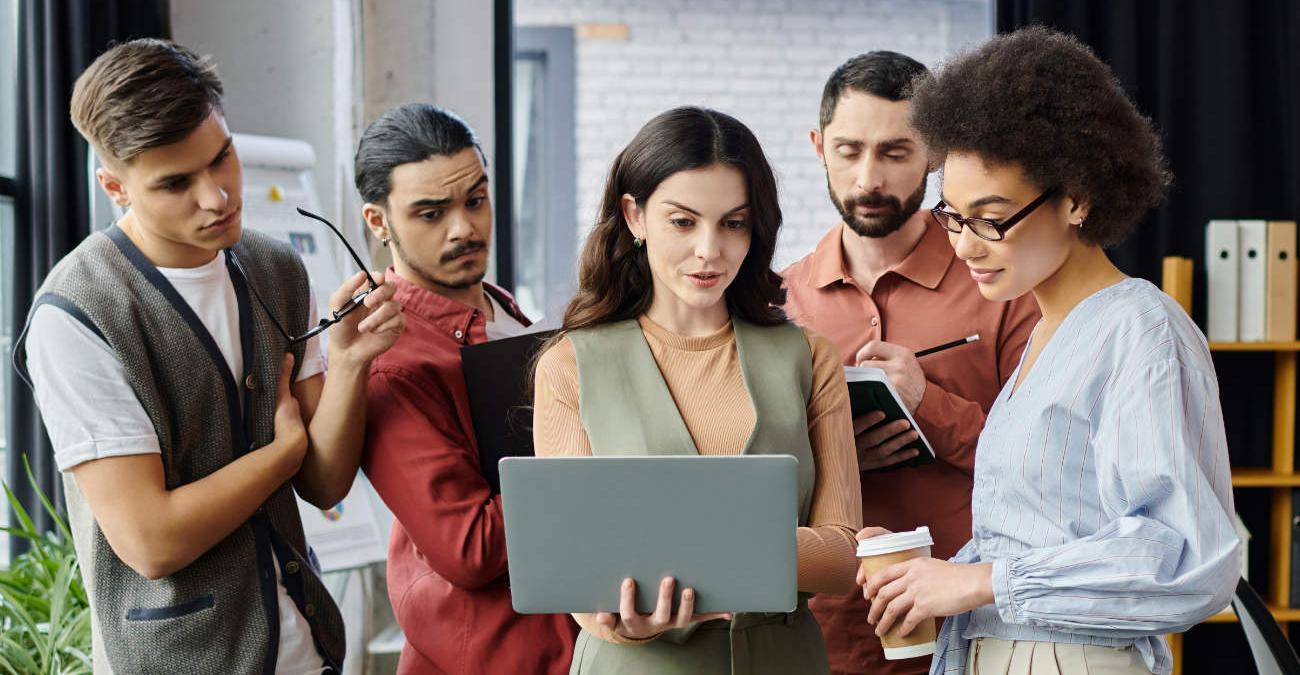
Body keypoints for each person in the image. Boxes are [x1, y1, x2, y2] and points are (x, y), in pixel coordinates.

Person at [13, 39, 405, 673]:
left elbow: (327, 484)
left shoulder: (277, 268)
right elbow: (152, 541)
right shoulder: (77, 314)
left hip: (306, 646)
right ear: (114, 186)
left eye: (222, 158)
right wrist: (280, 453)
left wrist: (351, 363)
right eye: (176, 184)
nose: (217, 197)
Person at [857, 27, 1240, 675]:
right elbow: (1040, 539)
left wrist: (982, 583)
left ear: (1077, 197)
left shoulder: (1139, 329)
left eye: (991, 217)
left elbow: (1185, 554)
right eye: (951, 215)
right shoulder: (1045, 335)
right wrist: (929, 576)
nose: (965, 245)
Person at [532, 106, 862, 675]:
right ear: (634, 216)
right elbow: (576, 576)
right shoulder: (570, 365)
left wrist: (679, 550)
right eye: (683, 222)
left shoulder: (808, 357)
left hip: (784, 660)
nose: (710, 250)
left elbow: (841, 555)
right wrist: (624, 623)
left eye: (733, 223)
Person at [781, 51, 1039, 675]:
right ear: (819, 147)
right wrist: (832, 460)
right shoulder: (777, 301)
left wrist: (929, 403)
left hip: (977, 631)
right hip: (821, 636)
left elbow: (1047, 469)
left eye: (896, 152)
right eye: (848, 150)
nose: (868, 177)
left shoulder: (1001, 286)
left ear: (934, 155)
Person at [356, 103, 577, 674]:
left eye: (475, 200)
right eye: (431, 214)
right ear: (378, 223)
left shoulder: (500, 307)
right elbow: (469, 545)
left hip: (559, 644)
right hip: (484, 657)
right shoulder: (391, 361)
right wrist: (593, 463)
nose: (465, 229)